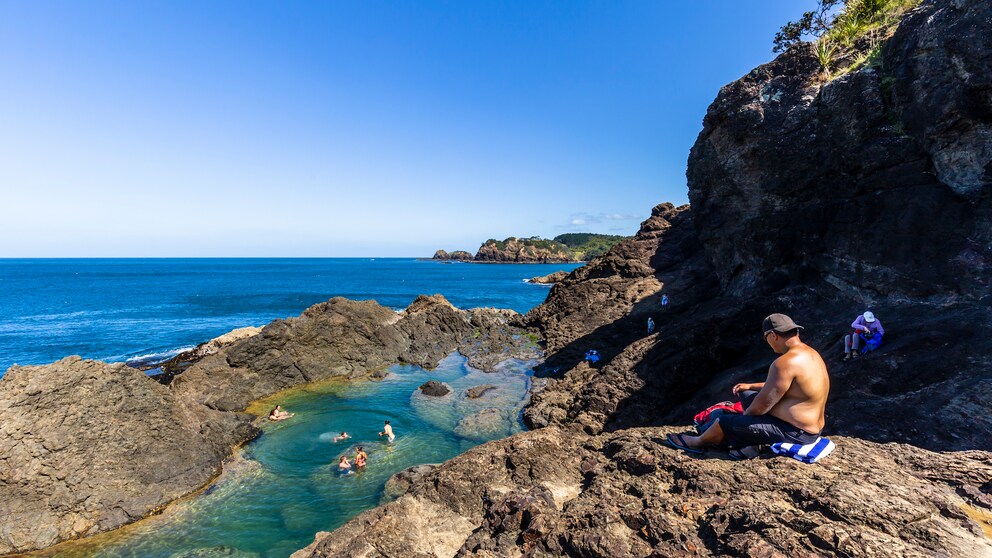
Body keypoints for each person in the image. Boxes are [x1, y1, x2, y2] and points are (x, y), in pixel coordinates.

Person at [665, 313, 830, 454]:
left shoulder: (785, 362)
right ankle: (751, 440)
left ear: (773, 335)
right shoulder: (810, 353)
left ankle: (698, 442)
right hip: (808, 428)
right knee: (746, 394)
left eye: (766, 338)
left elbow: (760, 407)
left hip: (796, 433)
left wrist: (744, 420)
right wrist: (750, 387)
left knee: (724, 422)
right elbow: (788, 387)